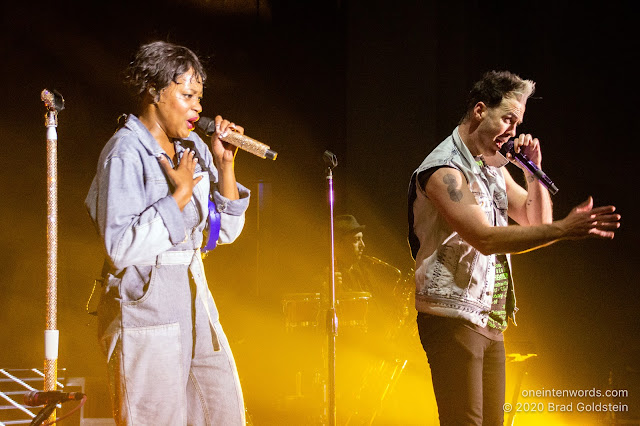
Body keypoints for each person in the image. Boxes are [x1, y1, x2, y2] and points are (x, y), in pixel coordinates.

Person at [407, 70, 621, 425]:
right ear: (479, 111)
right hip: (452, 318)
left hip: (490, 319)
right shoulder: (445, 170)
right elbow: (486, 239)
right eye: (507, 118)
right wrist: (565, 229)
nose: (513, 131)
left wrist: (533, 171)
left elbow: (536, 223)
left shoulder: (491, 167)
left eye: (518, 122)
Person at [85, 41, 250, 425]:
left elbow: (221, 232)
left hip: (194, 303)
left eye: (200, 98)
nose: (198, 107)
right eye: (187, 95)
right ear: (154, 92)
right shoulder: (125, 152)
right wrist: (178, 198)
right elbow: (120, 245)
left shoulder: (193, 147)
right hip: (146, 309)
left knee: (222, 413)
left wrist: (225, 166)